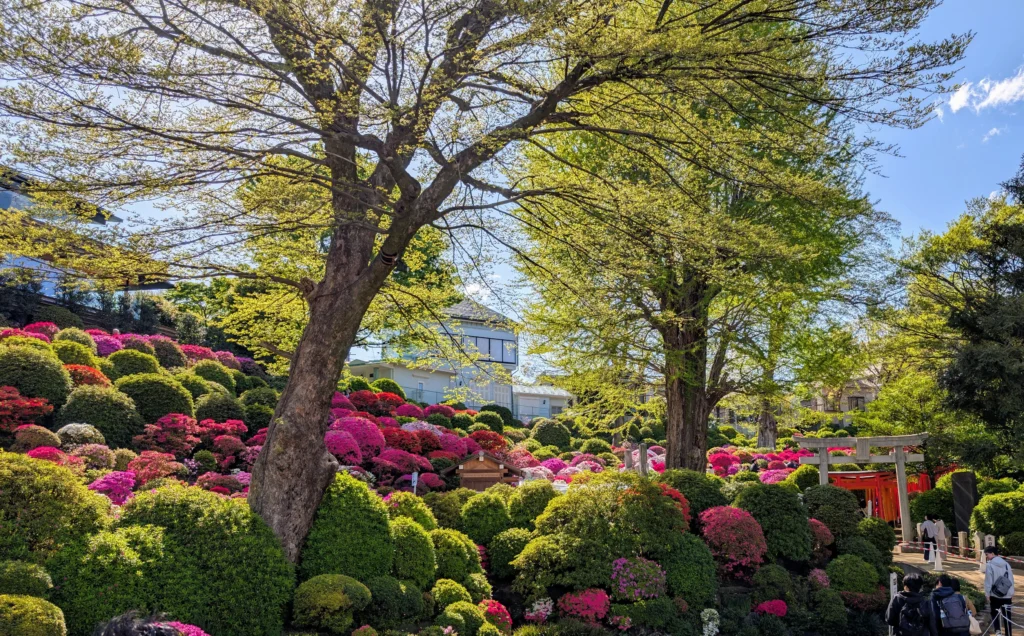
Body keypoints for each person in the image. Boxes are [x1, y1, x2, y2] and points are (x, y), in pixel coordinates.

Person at [985, 545, 1016, 636]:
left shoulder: (989, 565)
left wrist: (987, 593)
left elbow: (988, 581)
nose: (987, 557)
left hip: (995, 595)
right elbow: (1011, 579)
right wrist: (1011, 592)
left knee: (994, 613)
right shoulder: (1006, 564)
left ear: (992, 553)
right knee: (1007, 615)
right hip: (1007, 594)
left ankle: (998, 631)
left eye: (987, 554)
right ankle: (1008, 633)